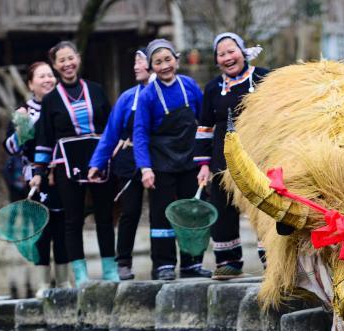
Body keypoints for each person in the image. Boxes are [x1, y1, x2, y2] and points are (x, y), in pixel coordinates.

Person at [31, 41, 117, 286]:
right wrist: (39, 170)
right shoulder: (50, 100)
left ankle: (110, 270)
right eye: (61, 61)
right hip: (65, 164)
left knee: (104, 216)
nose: (67, 64)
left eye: (70, 58)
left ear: (78, 59)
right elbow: (45, 137)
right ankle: (80, 275)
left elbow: (111, 127)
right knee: (73, 219)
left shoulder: (97, 90)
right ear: (55, 66)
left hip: (99, 160)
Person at [133, 38, 211, 281]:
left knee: (192, 213)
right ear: (150, 66)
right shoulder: (147, 96)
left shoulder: (189, 85)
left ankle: (192, 262)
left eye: (168, 60)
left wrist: (204, 160)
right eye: (158, 62)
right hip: (161, 164)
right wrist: (145, 168)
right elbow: (140, 134)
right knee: (162, 215)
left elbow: (204, 123)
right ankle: (163, 264)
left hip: (190, 160)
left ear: (176, 60)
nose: (164, 65)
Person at [195, 32, 269, 280]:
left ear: (242, 51)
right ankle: (228, 262)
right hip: (221, 160)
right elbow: (204, 128)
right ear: (216, 60)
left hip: (258, 156)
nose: (227, 57)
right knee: (222, 209)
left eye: (231, 51)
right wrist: (204, 165)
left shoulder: (263, 78)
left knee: (264, 207)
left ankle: (272, 259)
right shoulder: (213, 88)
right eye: (221, 54)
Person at [87, 50, 153, 280]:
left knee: (160, 213)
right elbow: (111, 133)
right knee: (131, 210)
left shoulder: (168, 92)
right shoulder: (128, 97)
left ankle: (163, 262)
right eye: (134, 61)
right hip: (128, 158)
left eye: (140, 61)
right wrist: (98, 162)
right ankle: (123, 261)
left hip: (159, 157)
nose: (135, 66)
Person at [5, 61, 69, 287]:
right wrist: (22, 128)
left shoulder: (63, 105)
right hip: (34, 179)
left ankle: (63, 283)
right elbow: (11, 148)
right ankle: (43, 285)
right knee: (41, 230)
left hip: (61, 174)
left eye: (50, 75)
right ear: (31, 84)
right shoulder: (23, 112)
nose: (48, 80)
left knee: (63, 229)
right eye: (41, 76)